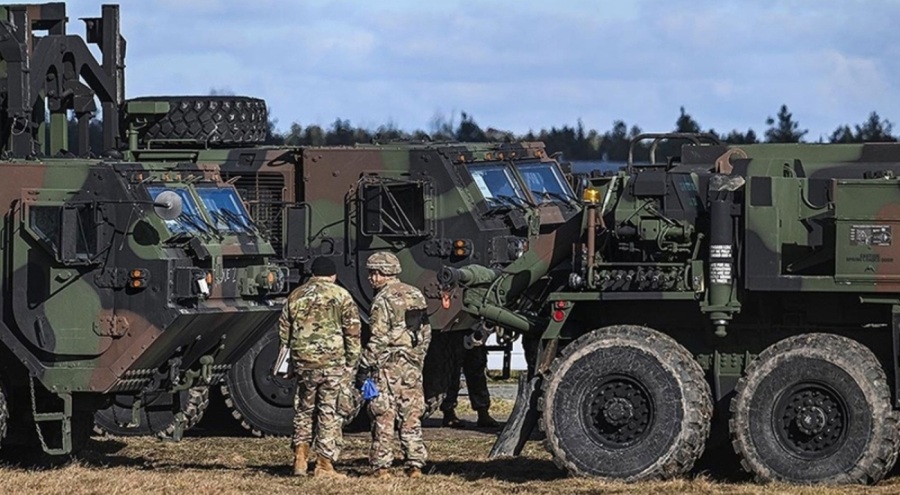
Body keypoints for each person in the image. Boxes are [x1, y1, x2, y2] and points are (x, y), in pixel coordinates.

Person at [278, 257, 360, 478]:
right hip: (332, 362)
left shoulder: (295, 295)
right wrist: (352, 363)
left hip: (304, 362)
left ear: (312, 274)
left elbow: (284, 333)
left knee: (304, 409)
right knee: (329, 411)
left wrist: (288, 363)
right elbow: (352, 332)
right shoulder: (341, 295)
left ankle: (300, 459)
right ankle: (324, 464)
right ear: (332, 275)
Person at [359, 252, 431, 479]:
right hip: (410, 365)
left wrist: (364, 365)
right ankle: (415, 464)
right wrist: (417, 357)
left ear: (382, 274)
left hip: (387, 366)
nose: (371, 278)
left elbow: (378, 338)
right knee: (411, 414)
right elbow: (425, 332)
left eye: (373, 273)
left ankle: (382, 467)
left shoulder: (382, 300)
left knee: (383, 414)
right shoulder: (416, 294)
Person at [438, 330, 499, 428]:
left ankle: (483, 412)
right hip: (453, 329)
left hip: (474, 328)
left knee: (477, 370)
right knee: (452, 371)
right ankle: (448, 412)